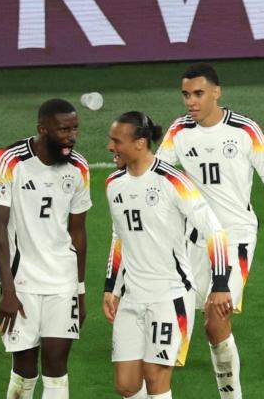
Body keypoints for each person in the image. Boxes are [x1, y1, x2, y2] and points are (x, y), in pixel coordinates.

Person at [158, 63, 264, 399]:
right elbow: (158, 179)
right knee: (169, 329)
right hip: (193, 240)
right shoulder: (179, 131)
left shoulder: (245, 131)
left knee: (216, 322)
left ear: (217, 93)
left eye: (199, 94)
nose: (191, 101)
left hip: (235, 237)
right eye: (186, 94)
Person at [103, 110, 232, 399]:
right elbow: (118, 237)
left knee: (156, 378)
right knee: (126, 385)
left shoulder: (174, 182)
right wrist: (111, 286)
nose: (111, 147)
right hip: (132, 296)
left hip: (169, 295)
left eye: (117, 141)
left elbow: (215, 232)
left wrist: (221, 284)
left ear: (140, 142)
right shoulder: (114, 185)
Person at [0, 99, 91, 399]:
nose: (71, 136)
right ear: (43, 129)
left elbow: (78, 232)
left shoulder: (79, 167)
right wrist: (7, 288)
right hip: (22, 283)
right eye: (63, 130)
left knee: (57, 367)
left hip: (62, 282)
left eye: (74, 129)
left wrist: (80, 291)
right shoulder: (7, 161)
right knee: (25, 368)